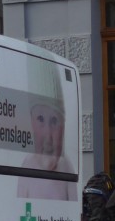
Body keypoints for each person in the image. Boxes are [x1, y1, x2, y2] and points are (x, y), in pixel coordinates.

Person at [17, 64, 75, 201]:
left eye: (54, 120)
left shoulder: (68, 167)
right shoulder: (26, 167)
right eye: (40, 119)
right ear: (31, 123)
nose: (48, 136)